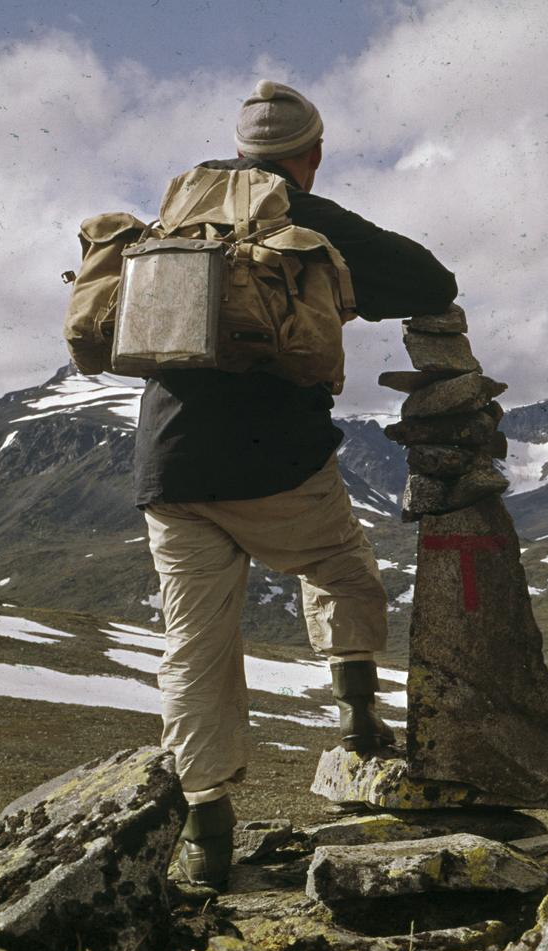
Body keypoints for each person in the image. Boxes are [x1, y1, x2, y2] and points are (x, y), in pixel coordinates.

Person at [133, 80, 457, 886]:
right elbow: (430, 280)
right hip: (275, 460)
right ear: (311, 153)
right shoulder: (305, 216)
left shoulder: (180, 206)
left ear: (240, 148)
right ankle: (356, 723)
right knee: (340, 568)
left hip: (168, 465)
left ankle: (206, 835)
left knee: (195, 645)